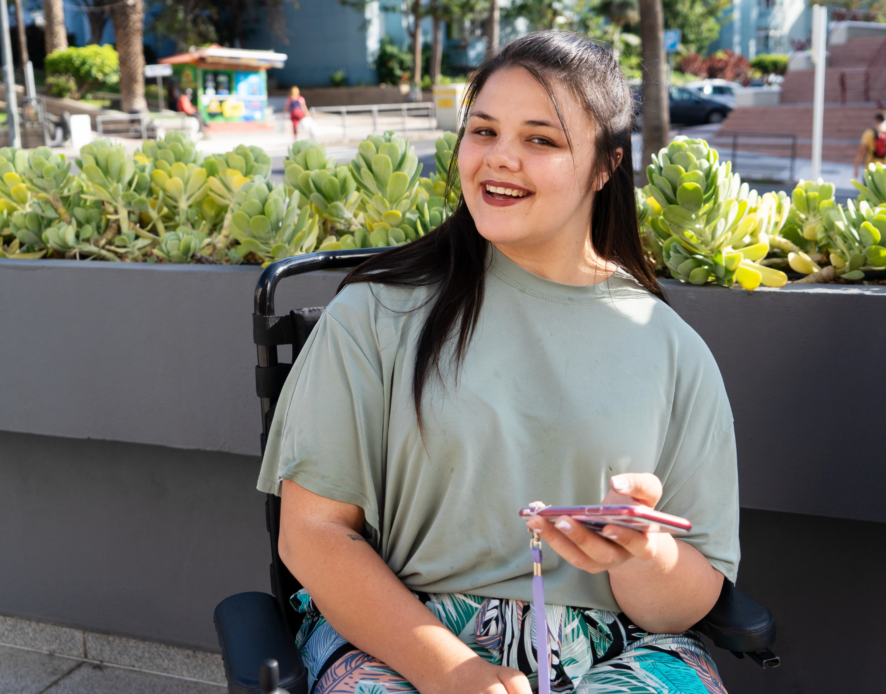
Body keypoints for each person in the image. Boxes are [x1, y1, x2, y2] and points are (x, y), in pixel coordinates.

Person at [259, 31, 737, 694]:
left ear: (605, 167)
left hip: (615, 650)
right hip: (403, 637)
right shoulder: (374, 315)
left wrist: (642, 553)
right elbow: (311, 534)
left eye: (541, 139)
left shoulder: (672, 349)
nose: (499, 159)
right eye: (483, 131)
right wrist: (451, 671)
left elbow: (687, 602)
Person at [854, 110, 886, 181]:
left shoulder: (868, 133)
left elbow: (861, 152)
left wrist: (856, 167)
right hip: (884, 171)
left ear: (875, 121)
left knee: (867, 191)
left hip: (870, 170)